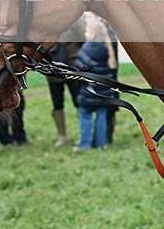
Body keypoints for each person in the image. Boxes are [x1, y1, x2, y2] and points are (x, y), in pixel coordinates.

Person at [73, 14, 117, 151]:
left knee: (85, 116)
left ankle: (84, 144)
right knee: (101, 116)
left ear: (92, 33)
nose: (85, 34)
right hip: (103, 92)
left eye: (86, 31)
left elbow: (79, 67)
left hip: (88, 91)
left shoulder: (87, 48)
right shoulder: (106, 48)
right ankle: (100, 144)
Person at [46, 19, 84, 147]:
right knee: (57, 104)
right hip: (53, 70)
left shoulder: (73, 18)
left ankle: (83, 134)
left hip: (72, 67)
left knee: (78, 101)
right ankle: (62, 136)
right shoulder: (44, 21)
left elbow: (82, 38)